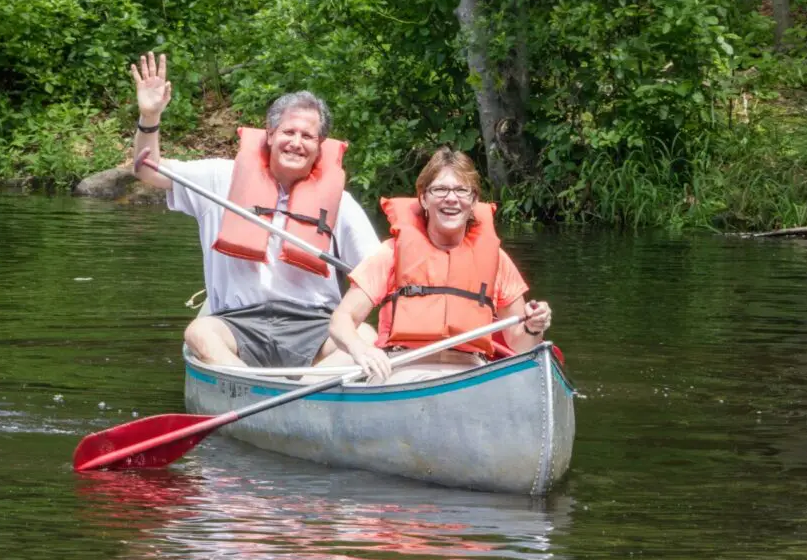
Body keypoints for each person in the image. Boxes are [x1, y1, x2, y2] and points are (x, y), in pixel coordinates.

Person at [130, 52, 380, 367]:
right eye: (288, 132)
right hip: (237, 324)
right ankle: (253, 386)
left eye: (307, 136)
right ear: (270, 135)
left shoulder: (340, 202)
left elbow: (375, 270)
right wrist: (149, 116)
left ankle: (298, 392)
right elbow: (146, 169)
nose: (296, 142)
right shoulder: (219, 178)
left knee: (368, 337)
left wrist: (347, 318)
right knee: (199, 333)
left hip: (314, 327)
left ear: (320, 146)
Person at [327, 146, 553, 381]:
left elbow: (521, 345)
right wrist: (361, 350)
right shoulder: (391, 253)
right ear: (424, 198)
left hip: (471, 372)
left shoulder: (498, 261)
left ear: (474, 199)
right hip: (403, 368)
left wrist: (533, 327)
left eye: (461, 190)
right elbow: (341, 320)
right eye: (440, 189)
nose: (452, 198)